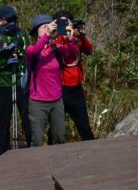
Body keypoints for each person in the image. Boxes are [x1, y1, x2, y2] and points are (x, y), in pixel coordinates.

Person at [0, 5, 30, 155]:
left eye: (11, 20)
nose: (8, 23)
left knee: (26, 114)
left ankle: (31, 145)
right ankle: (3, 149)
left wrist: (20, 59)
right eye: (5, 20)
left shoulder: (22, 35)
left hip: (20, 80)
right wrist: (4, 62)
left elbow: (29, 54)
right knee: (4, 116)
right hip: (3, 82)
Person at [26, 15, 76, 146]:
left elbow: (72, 54)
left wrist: (71, 40)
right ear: (36, 31)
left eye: (50, 25)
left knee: (59, 138)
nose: (49, 28)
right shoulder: (31, 49)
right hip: (38, 101)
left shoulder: (56, 48)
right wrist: (47, 36)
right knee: (37, 140)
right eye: (44, 27)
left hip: (56, 100)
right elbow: (34, 51)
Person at [53, 10, 96, 141]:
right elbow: (61, 52)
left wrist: (81, 36)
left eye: (67, 21)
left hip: (76, 89)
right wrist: (65, 38)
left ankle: (93, 152)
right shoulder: (55, 40)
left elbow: (90, 51)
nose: (64, 25)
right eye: (61, 22)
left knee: (84, 126)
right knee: (57, 127)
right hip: (61, 89)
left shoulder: (76, 39)